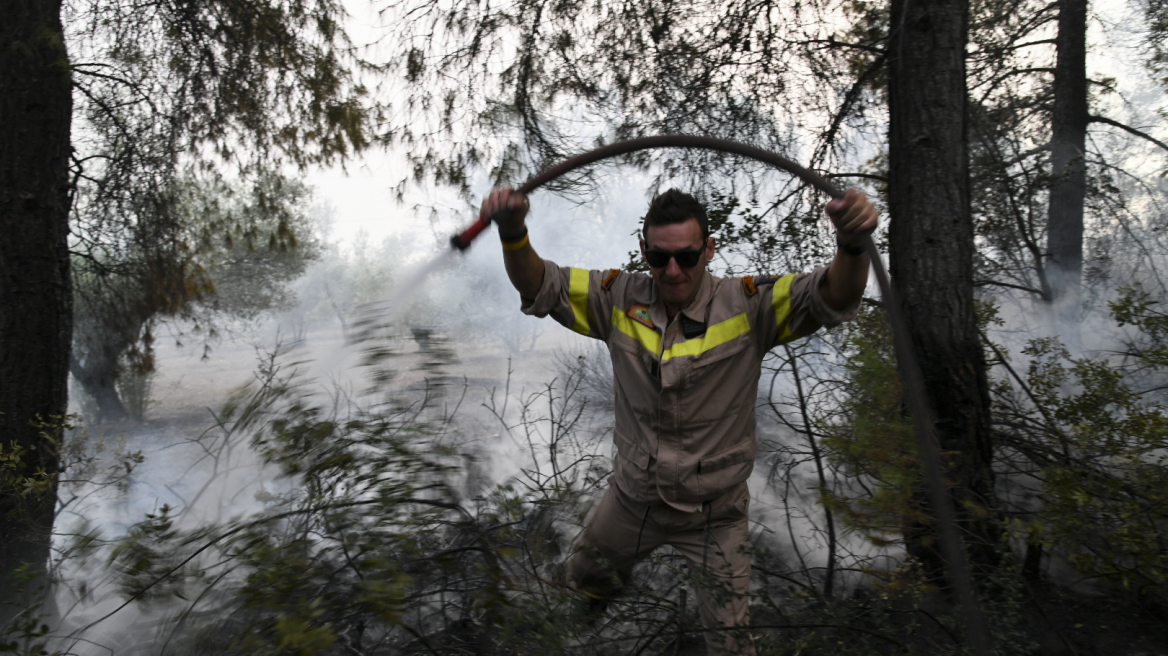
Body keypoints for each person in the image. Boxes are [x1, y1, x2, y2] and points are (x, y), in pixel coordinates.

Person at [479, 186, 878, 654]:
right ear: (644, 249)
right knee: (584, 581)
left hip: (716, 516)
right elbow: (540, 284)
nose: (673, 272)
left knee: (731, 642)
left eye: (687, 258)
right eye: (660, 257)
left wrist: (852, 244)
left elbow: (833, 294)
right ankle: (578, 636)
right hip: (632, 502)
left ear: (709, 249)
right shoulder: (616, 297)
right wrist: (512, 233)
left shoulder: (750, 305)